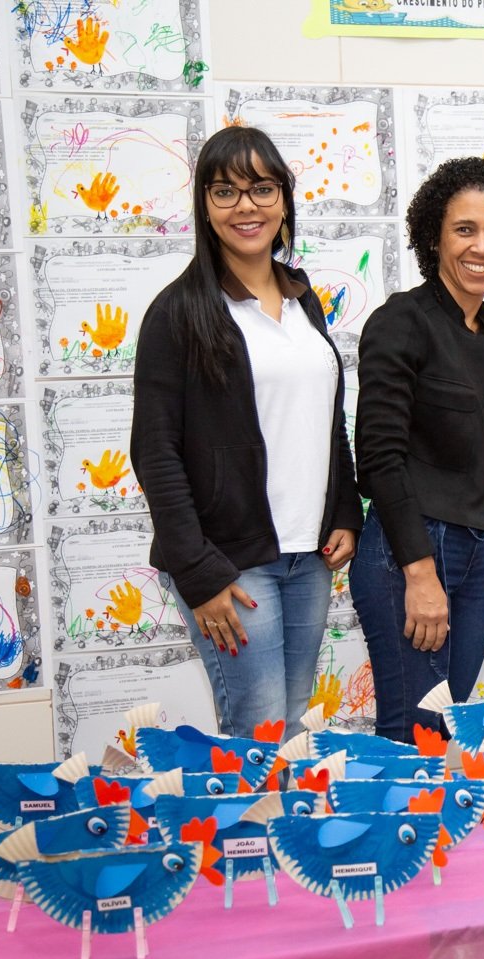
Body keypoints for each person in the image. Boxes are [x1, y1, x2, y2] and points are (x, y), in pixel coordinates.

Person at [133, 125, 361, 738]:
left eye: (261, 189)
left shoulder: (303, 301)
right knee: (257, 733)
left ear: (283, 199)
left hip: (308, 556)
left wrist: (344, 510)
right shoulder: (178, 312)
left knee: (291, 730)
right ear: (205, 206)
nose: (245, 206)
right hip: (230, 563)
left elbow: (326, 419)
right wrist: (199, 572)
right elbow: (155, 452)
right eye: (225, 192)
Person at [350, 156, 484, 742]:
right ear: (434, 236)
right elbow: (378, 456)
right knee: (413, 735)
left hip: (479, 549)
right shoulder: (402, 320)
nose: (482, 246)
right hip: (414, 549)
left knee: (445, 732)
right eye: (465, 229)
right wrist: (419, 571)